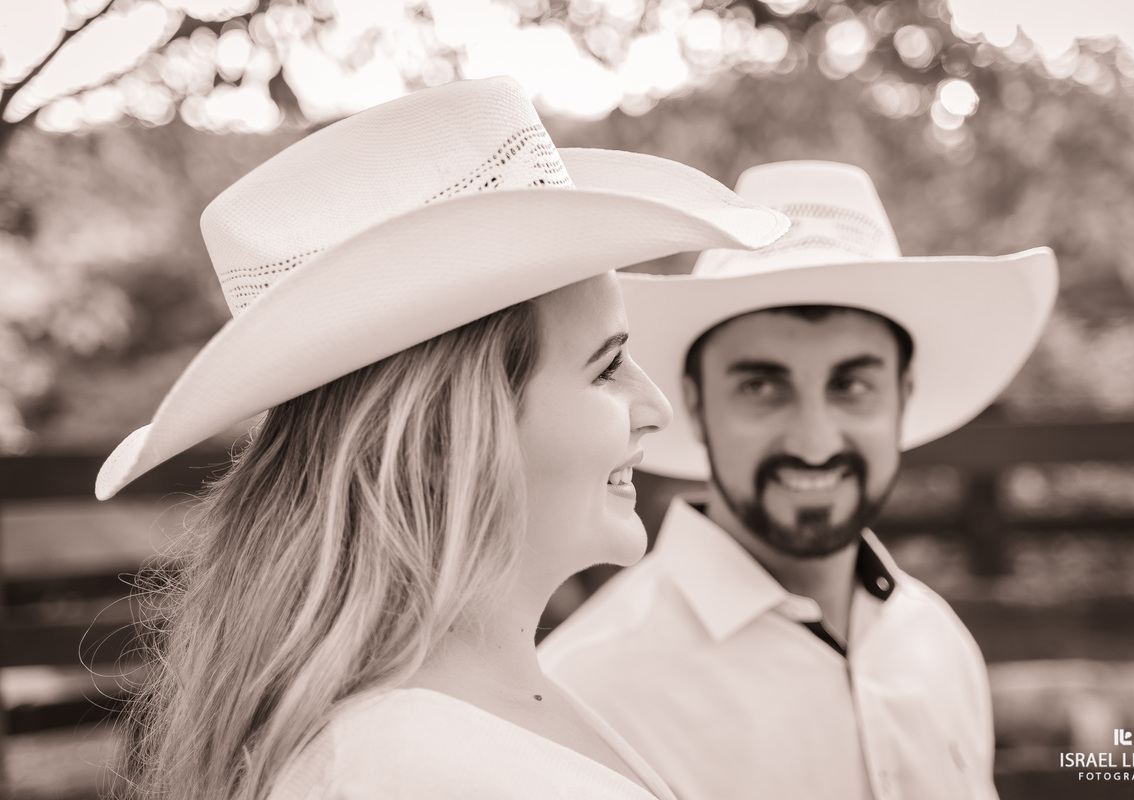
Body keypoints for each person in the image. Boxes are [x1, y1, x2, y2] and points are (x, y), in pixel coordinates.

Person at [96, 77, 789, 800]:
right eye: (606, 365)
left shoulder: (459, 723)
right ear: (452, 437)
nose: (655, 408)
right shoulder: (407, 768)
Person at [540, 161, 1059, 800]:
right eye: (762, 386)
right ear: (697, 405)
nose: (814, 443)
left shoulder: (938, 644)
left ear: (903, 398)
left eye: (852, 385)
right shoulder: (586, 699)